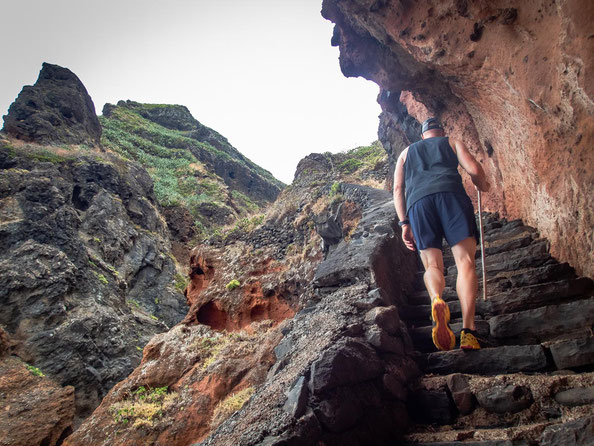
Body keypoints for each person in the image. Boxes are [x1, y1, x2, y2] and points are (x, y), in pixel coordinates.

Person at [393, 117, 490, 351]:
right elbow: (474, 169)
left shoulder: (405, 153)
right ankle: (468, 331)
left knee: (432, 266)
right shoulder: (451, 142)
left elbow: (397, 189)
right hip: (452, 197)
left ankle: (437, 298)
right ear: (441, 131)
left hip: (419, 205)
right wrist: (482, 184)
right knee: (465, 262)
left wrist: (404, 222)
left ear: (422, 135)